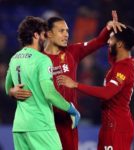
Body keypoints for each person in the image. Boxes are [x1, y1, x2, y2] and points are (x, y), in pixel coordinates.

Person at [8, 12, 125, 150]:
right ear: (49, 34)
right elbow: (17, 81)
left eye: (67, 31)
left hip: (68, 123)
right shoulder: (38, 59)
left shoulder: (72, 52)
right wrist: (11, 91)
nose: (66, 34)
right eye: (61, 31)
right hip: (46, 122)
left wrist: (108, 28)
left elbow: (98, 42)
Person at [5, 16, 80, 150]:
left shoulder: (14, 58)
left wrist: (12, 92)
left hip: (19, 127)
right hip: (41, 126)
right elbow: (49, 93)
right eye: (43, 34)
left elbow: (7, 88)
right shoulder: (42, 60)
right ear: (36, 35)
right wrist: (71, 109)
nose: (45, 38)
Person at [57, 26, 134, 150]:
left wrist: (76, 84)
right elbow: (106, 46)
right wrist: (110, 28)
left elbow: (107, 93)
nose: (108, 42)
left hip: (117, 127)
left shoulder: (124, 68)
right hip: (109, 125)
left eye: (111, 39)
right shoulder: (120, 63)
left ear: (120, 44)